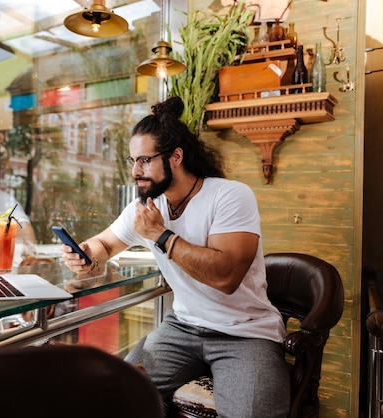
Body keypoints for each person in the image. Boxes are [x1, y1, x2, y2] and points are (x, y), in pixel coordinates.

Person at [60, 96, 290, 417]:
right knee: (116, 395)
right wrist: (87, 253)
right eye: (132, 161)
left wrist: (161, 235)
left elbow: (226, 277)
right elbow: (106, 244)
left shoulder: (229, 195)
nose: (136, 171)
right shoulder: (146, 207)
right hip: (182, 328)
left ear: (175, 157)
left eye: (144, 160)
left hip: (245, 334)